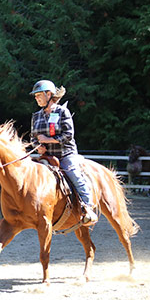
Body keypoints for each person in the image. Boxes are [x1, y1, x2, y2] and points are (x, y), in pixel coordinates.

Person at [29, 80, 97, 224]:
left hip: (66, 154)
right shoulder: (36, 116)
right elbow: (33, 137)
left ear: (49, 95)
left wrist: (47, 140)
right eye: (35, 96)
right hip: (46, 156)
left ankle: (88, 207)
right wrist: (38, 146)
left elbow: (68, 135)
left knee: (74, 173)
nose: (36, 98)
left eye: (39, 95)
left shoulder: (62, 111)